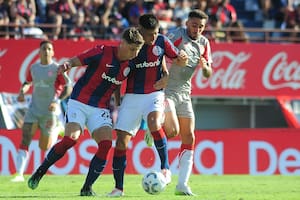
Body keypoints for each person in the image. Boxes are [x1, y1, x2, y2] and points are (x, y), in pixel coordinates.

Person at [27, 27, 144, 196]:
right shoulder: (102, 51)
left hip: (100, 108)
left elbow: (117, 81)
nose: (135, 54)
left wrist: (118, 100)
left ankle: (87, 188)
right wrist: (67, 65)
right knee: (70, 140)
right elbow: (78, 60)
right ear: (123, 43)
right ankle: (40, 171)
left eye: (137, 50)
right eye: (133, 49)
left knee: (105, 144)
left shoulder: (130, 64)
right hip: (79, 102)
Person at [107, 13, 188, 197]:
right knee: (121, 142)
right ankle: (118, 188)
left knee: (154, 122)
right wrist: (118, 99)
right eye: (150, 34)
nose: (153, 38)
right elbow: (118, 74)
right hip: (132, 97)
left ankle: (165, 168)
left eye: (156, 33)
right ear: (140, 31)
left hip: (154, 94)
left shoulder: (161, 41)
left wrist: (173, 69)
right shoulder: (130, 46)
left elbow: (179, 60)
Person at [164, 9, 213, 196]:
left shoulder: (204, 43)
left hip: (185, 93)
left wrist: (205, 66)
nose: (197, 29)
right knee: (172, 130)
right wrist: (175, 59)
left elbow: (208, 73)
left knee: (190, 136)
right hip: (166, 89)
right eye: (194, 25)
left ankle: (182, 185)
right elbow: (158, 55)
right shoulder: (175, 36)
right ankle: (155, 132)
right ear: (187, 24)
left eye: (201, 26)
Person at [11, 40, 72, 182]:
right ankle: (19, 174)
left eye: (49, 49)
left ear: (53, 52)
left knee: (44, 146)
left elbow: (68, 87)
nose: (46, 51)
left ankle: (58, 129)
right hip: (34, 109)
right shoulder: (34, 68)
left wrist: (56, 101)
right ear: (39, 52)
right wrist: (21, 92)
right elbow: (27, 82)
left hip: (50, 112)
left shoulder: (57, 68)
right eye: (44, 48)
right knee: (25, 137)